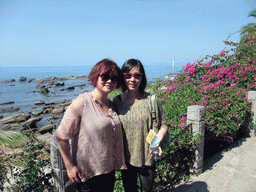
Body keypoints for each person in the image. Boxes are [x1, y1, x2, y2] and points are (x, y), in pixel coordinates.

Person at [53, 59, 127, 192]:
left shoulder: (111, 105)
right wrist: (69, 167)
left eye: (114, 78)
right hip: (88, 176)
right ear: (95, 77)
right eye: (105, 76)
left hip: (108, 172)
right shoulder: (82, 102)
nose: (110, 81)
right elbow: (61, 136)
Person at [113, 59, 168, 192]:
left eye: (137, 76)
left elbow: (163, 125)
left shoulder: (151, 100)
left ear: (142, 77)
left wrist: (155, 142)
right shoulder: (117, 101)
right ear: (123, 77)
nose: (133, 79)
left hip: (147, 156)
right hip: (126, 159)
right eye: (128, 75)